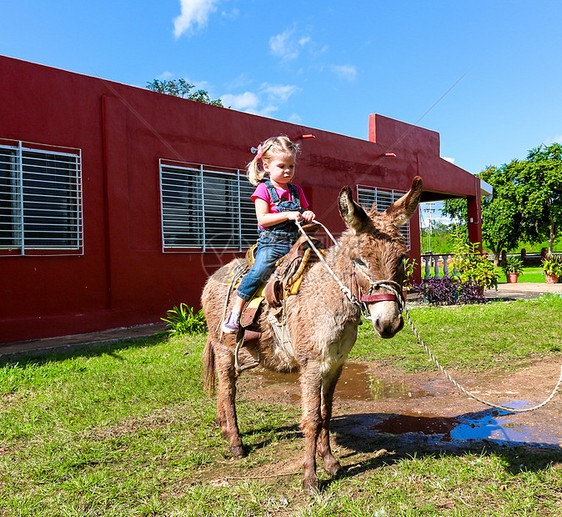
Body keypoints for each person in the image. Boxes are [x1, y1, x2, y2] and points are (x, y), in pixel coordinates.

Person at [221, 136, 315, 333]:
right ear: (267, 166)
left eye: (291, 166)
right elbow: (262, 219)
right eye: (282, 166)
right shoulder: (263, 189)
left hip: (296, 242)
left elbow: (305, 213)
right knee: (259, 271)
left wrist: (308, 214)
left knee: (323, 263)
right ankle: (236, 311)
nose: (288, 170)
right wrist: (287, 214)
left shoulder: (297, 191)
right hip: (272, 244)